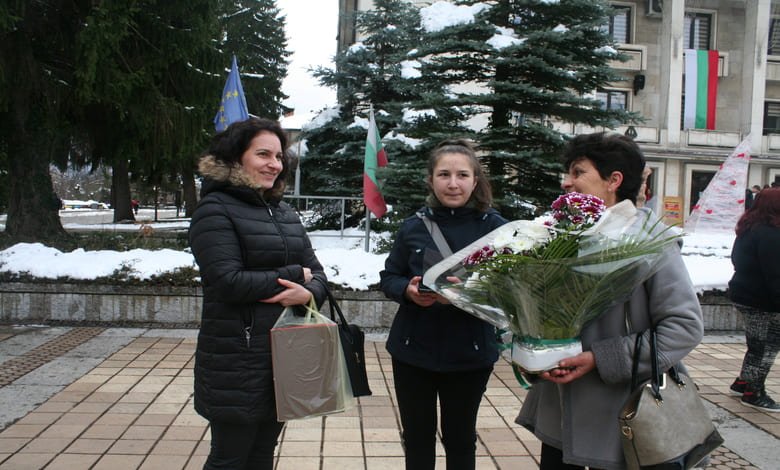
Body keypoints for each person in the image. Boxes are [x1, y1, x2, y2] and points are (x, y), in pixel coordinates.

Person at [516, 132, 704, 469]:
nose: (566, 182)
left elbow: (684, 327)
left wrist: (601, 359)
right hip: (562, 415)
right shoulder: (561, 236)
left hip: (624, 420)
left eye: (577, 172)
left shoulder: (650, 243)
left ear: (613, 180)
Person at [188, 117, 328, 470]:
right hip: (236, 359)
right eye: (263, 154)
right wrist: (295, 276)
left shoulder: (283, 213)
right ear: (237, 157)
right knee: (229, 458)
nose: (274, 164)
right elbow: (227, 281)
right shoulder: (214, 209)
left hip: (285, 355)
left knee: (263, 453)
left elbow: (321, 275)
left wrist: (308, 292)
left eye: (279, 156)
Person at [380, 140, 508, 470]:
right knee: (418, 438)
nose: (453, 183)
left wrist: (472, 288)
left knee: (460, 438)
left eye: (462, 175)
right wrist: (407, 291)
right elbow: (389, 276)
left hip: (471, 352)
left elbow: (510, 287)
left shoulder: (496, 229)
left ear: (475, 181)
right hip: (413, 352)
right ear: (431, 180)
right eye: (444, 174)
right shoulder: (413, 227)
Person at [727, 187, 780, 412]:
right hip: (763, 301)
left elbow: (735, 259)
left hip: (744, 295)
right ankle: (754, 391)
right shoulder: (771, 234)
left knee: (757, 344)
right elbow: (775, 273)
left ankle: (743, 382)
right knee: (768, 345)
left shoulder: (748, 228)